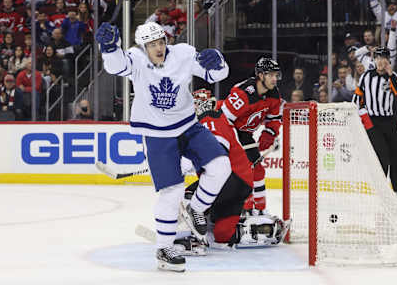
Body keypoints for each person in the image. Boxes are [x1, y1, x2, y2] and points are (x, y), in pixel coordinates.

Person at [95, 21, 232, 272]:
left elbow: (216, 75)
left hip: (188, 125)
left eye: (161, 43)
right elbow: (116, 66)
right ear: (142, 47)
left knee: (221, 165)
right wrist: (109, 47)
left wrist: (219, 61)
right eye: (152, 45)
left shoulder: (183, 53)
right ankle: (164, 249)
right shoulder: (135, 59)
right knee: (172, 192)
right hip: (157, 134)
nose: (158, 48)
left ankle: (197, 209)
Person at [180, 89, 289, 250]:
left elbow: (217, 152)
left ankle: (196, 240)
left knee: (189, 196)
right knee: (222, 235)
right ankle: (265, 228)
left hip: (229, 179)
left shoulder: (208, 118)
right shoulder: (217, 118)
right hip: (240, 185)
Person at [219, 56, 282, 214]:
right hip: (228, 132)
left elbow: (274, 119)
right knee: (243, 171)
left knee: (258, 169)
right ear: (260, 75)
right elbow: (223, 121)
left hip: (245, 135)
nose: (275, 79)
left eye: (276, 75)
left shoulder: (274, 95)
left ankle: (259, 209)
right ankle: (243, 207)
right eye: (271, 75)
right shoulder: (243, 93)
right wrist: (231, 144)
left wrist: (269, 133)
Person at [352, 46, 397, 204]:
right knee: (382, 155)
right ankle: (381, 190)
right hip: (373, 122)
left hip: (390, 120)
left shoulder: (392, 77)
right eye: (378, 58)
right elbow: (357, 99)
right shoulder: (366, 76)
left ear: (388, 61)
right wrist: (364, 120)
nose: (380, 61)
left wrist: (390, 73)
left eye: (383, 58)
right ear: (374, 60)